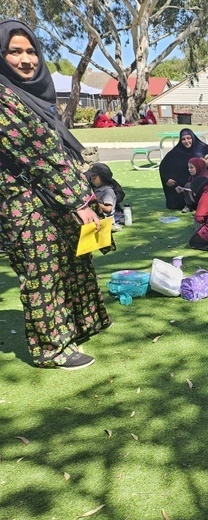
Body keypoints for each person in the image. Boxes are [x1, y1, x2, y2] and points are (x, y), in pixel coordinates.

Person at [0, 19, 110, 369]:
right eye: (14, 52)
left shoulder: (33, 94)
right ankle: (52, 348)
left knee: (73, 257)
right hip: (23, 201)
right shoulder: (4, 98)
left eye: (31, 51)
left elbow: (58, 150)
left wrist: (85, 198)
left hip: (54, 195)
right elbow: (39, 154)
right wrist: (79, 200)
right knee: (41, 269)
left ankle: (81, 322)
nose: (26, 60)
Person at [158, 128, 208, 210]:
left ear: (193, 137)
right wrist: (166, 179)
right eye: (183, 139)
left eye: (188, 138)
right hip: (183, 186)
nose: (186, 141)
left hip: (202, 181)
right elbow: (163, 167)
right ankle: (189, 204)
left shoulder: (204, 148)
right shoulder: (176, 152)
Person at [85, 162, 125, 227]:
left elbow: (120, 195)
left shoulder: (108, 189)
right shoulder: (92, 184)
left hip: (106, 214)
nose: (91, 180)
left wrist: (100, 203)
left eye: (94, 178)